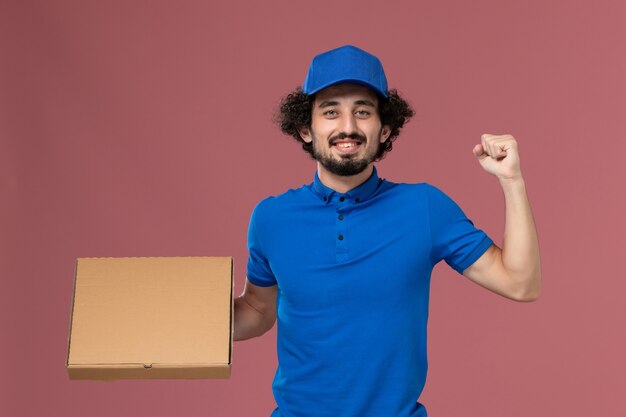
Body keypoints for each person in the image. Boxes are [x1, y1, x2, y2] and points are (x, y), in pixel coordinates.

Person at [233, 45, 541, 417]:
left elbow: (520, 283)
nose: (347, 127)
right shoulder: (271, 218)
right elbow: (256, 310)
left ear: (386, 129)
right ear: (305, 129)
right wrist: (181, 323)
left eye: (362, 112)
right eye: (331, 112)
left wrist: (512, 181)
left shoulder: (424, 207)